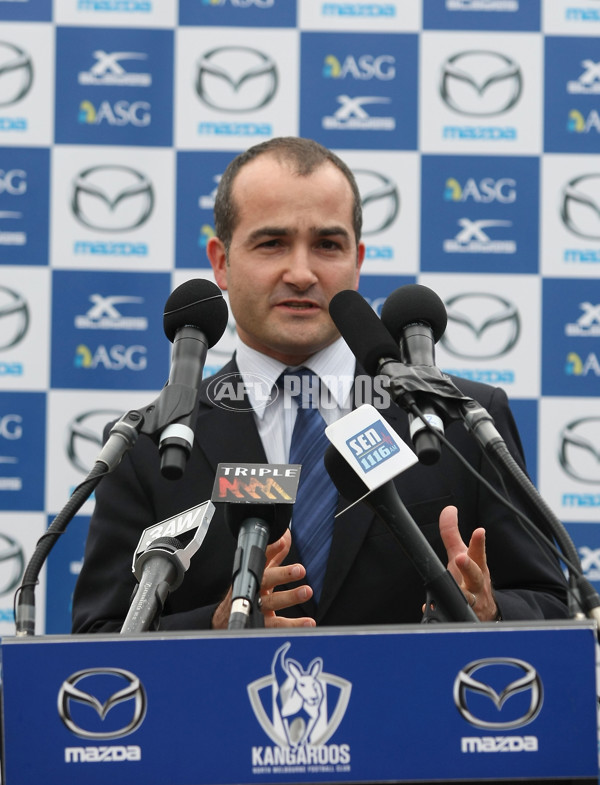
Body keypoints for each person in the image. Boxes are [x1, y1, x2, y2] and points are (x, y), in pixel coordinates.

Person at [71, 137, 569, 635]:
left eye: (328, 245)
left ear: (359, 260)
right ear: (221, 262)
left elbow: (551, 603)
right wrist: (219, 625)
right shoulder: (147, 444)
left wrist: (488, 612)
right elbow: (97, 639)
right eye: (272, 243)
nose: (302, 273)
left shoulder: (460, 420)